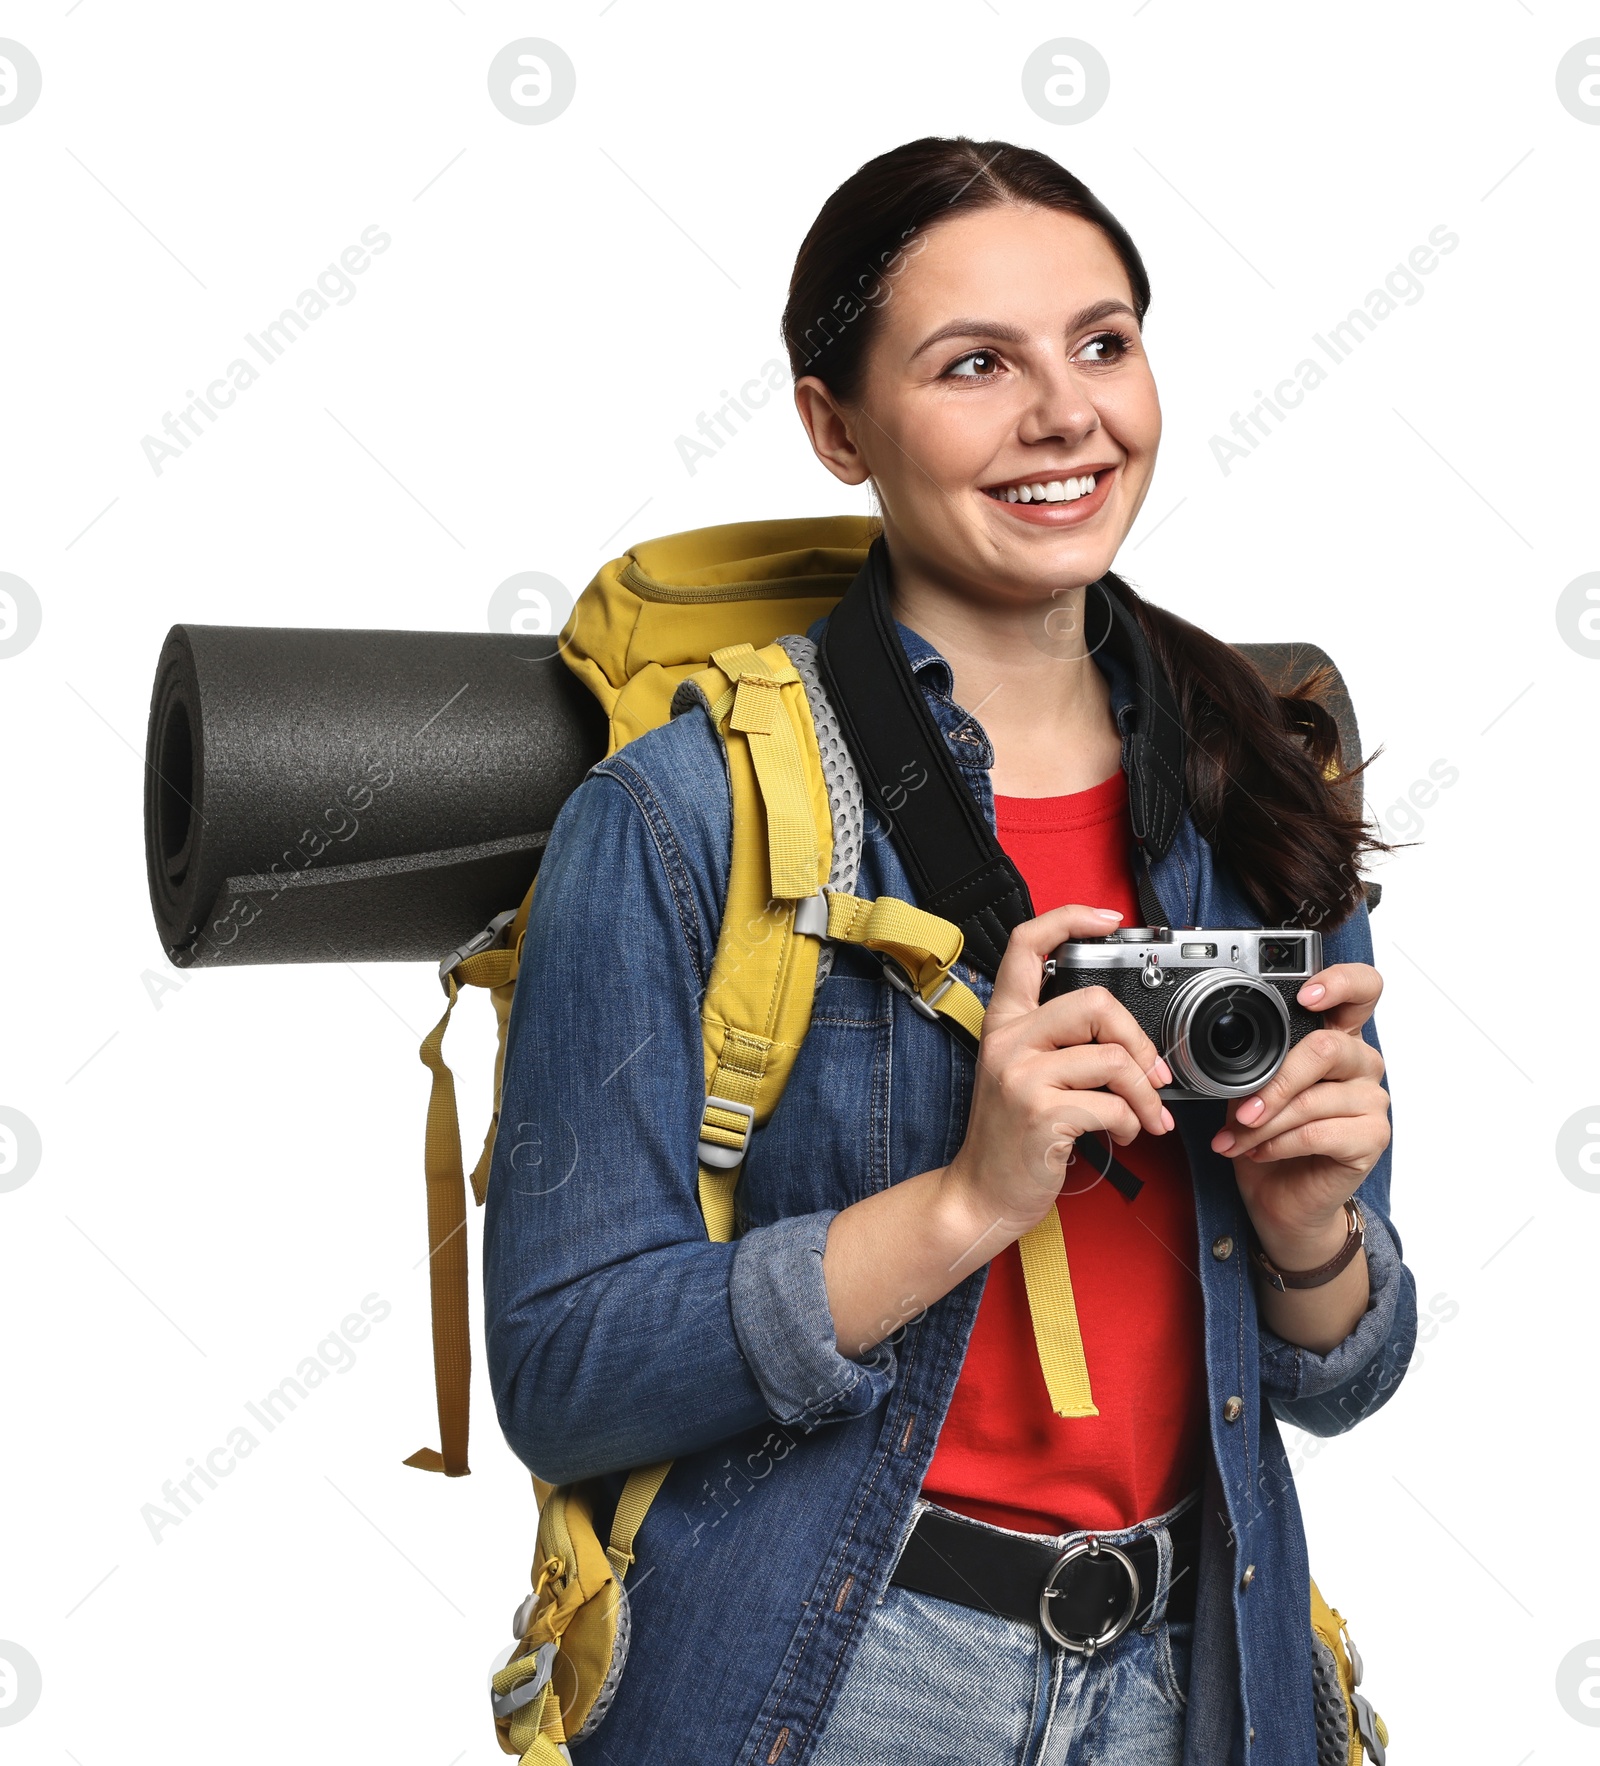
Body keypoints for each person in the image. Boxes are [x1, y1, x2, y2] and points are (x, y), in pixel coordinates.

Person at [483, 136, 1416, 1766]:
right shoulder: (677, 816)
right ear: (835, 426)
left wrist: (1311, 1230)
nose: (1067, 413)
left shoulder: (1259, 779)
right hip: (833, 1671)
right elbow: (565, 1369)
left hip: (1205, 1669)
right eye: (975, 364)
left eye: (1103, 342)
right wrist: (968, 1202)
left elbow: (1340, 1375)